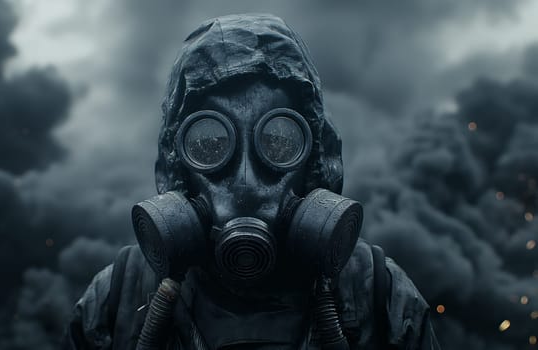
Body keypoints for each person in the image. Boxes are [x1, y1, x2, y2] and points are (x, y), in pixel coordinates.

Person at [63, 13, 440, 350]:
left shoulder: (377, 295)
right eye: (209, 146)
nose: (246, 183)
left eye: (279, 143)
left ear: (317, 158)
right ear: (175, 162)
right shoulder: (118, 300)